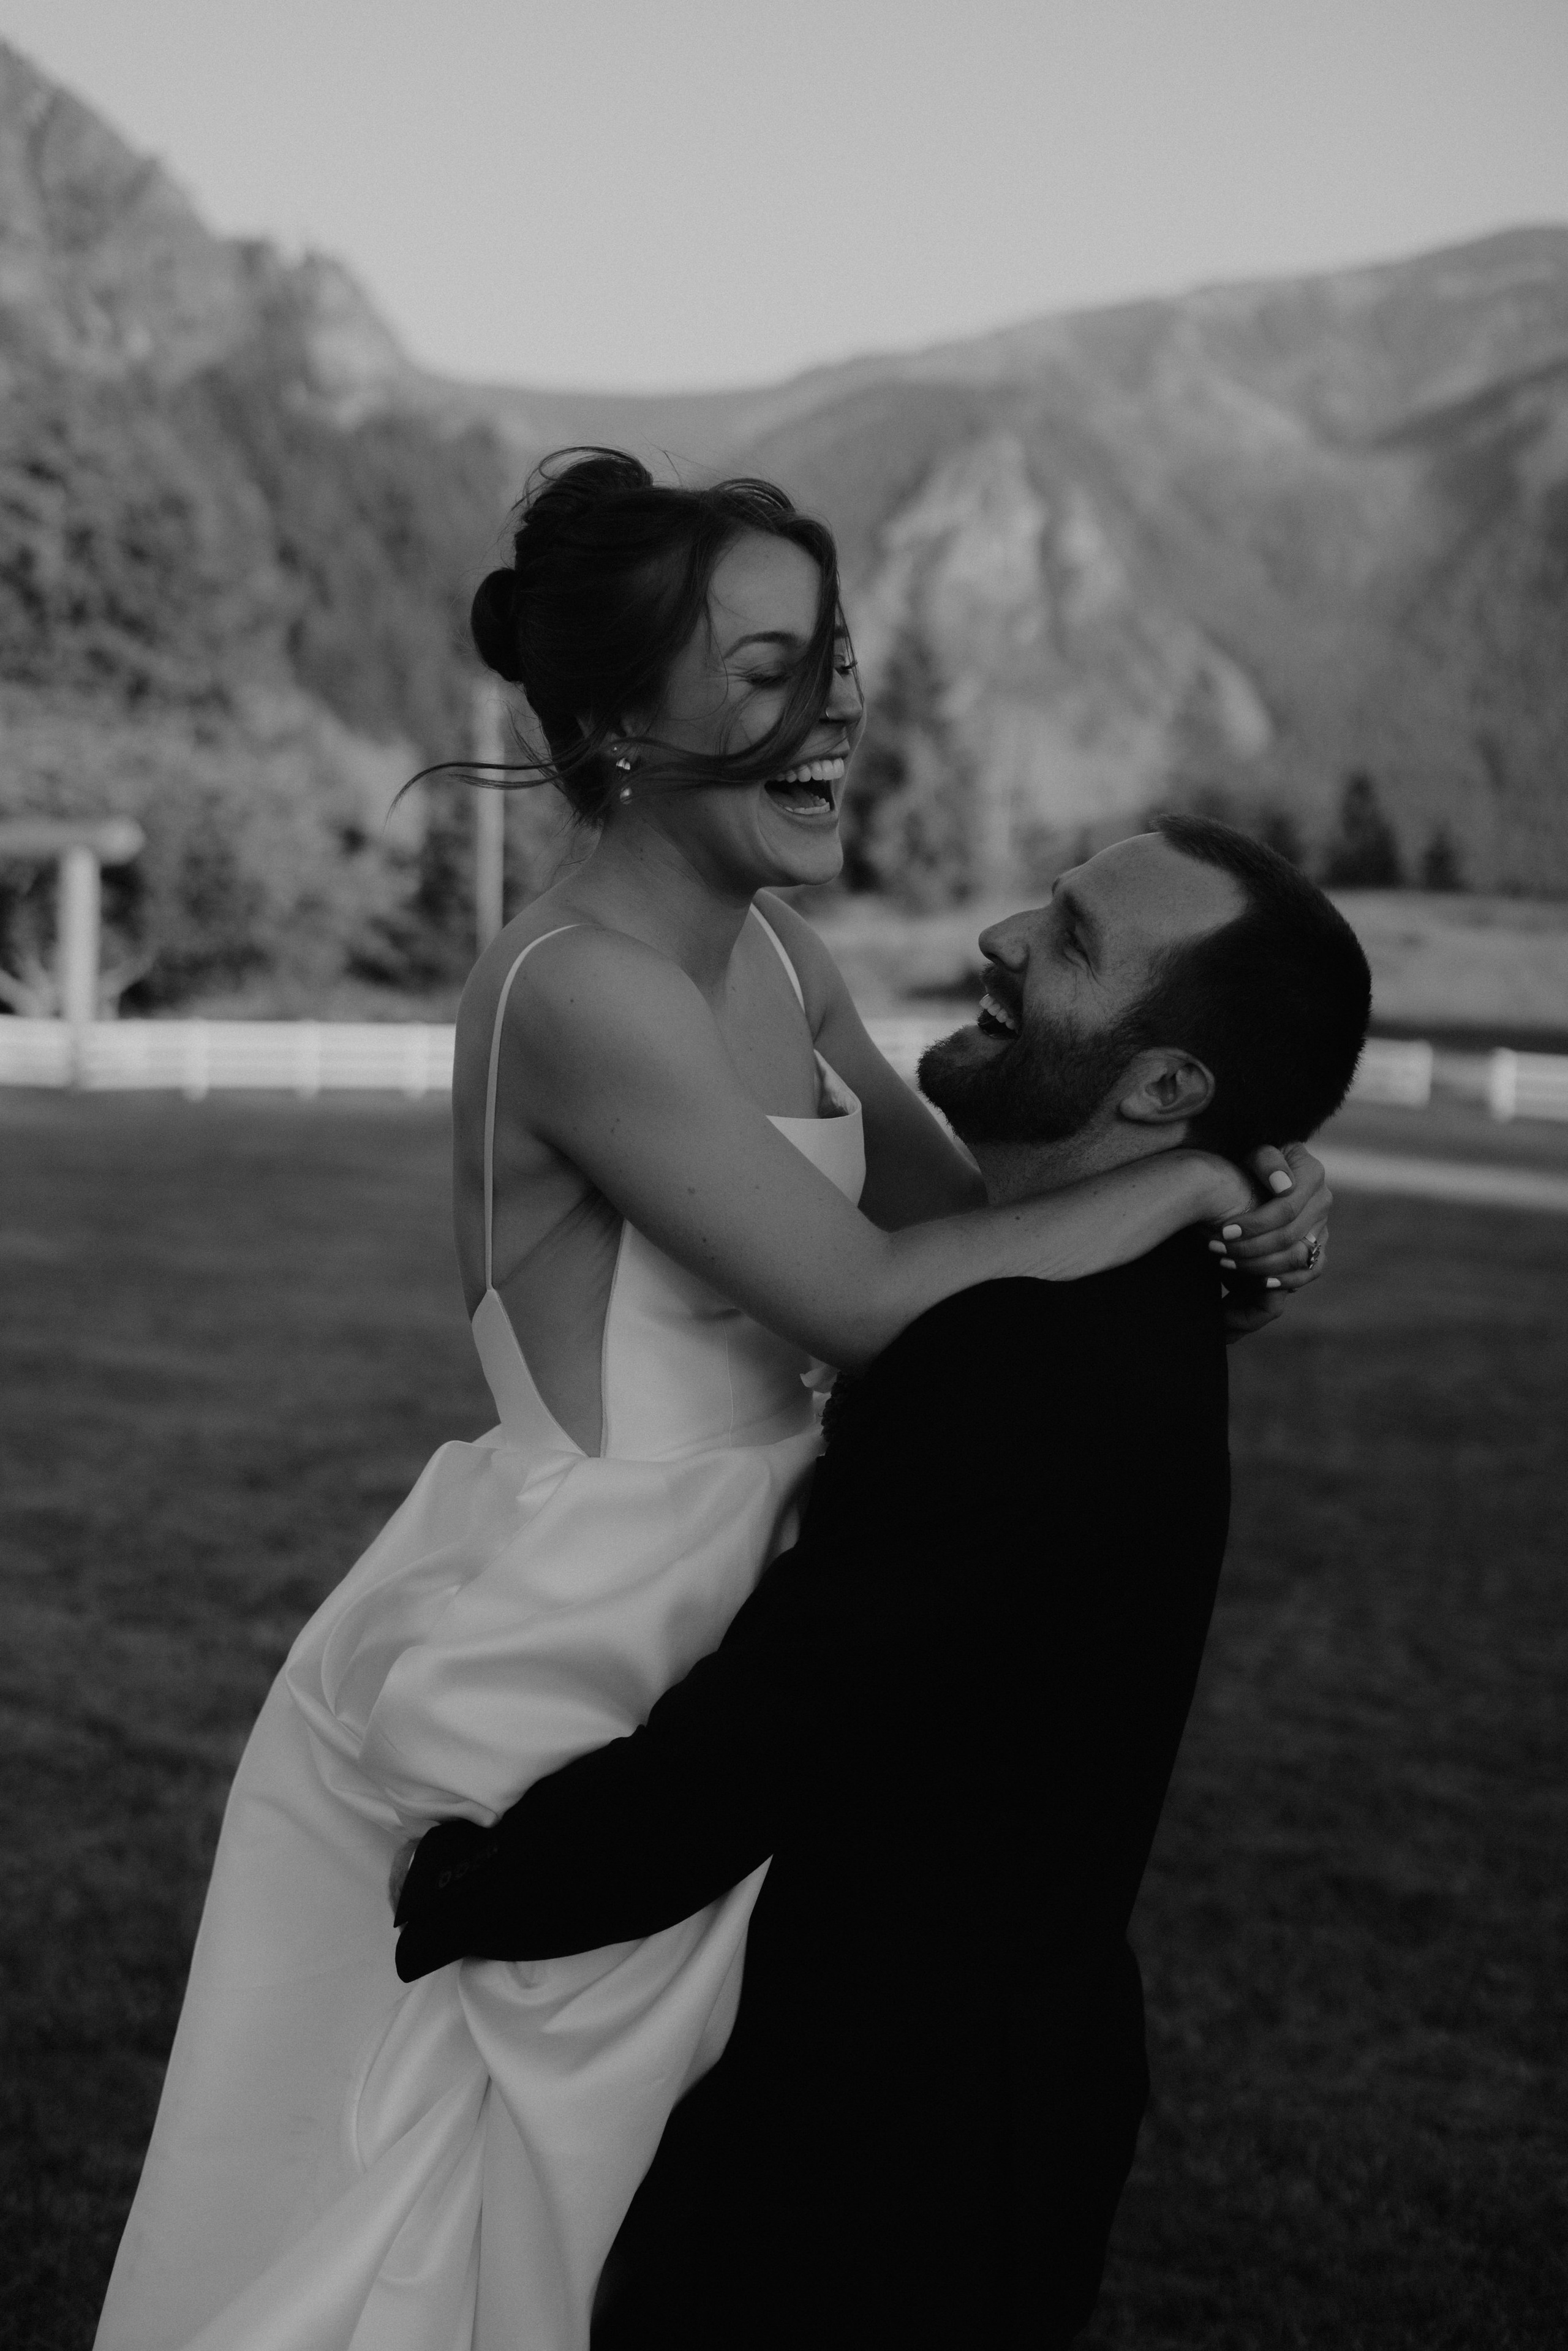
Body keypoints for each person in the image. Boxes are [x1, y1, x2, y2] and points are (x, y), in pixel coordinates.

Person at [94, 453, 1329, 2351]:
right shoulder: (579, 988)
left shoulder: (778, 955)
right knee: (480, 2198)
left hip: (752, 1594)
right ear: (613, 724)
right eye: (763, 668)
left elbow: (985, 1239)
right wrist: (1193, 1178)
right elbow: (870, 1290)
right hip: (589, 1616)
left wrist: (1223, 1194)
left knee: (705, 2197)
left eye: (830, 655)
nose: (829, 701)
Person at [394, 815, 1373, 2350]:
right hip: (981, 2083)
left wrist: (473, 1884)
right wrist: (1224, 1190)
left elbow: (779, 1726)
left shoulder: (1026, 1365)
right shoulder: (1123, 1289)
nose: (998, 937)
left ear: (1163, 1084)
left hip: (886, 2146)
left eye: (1065, 941)